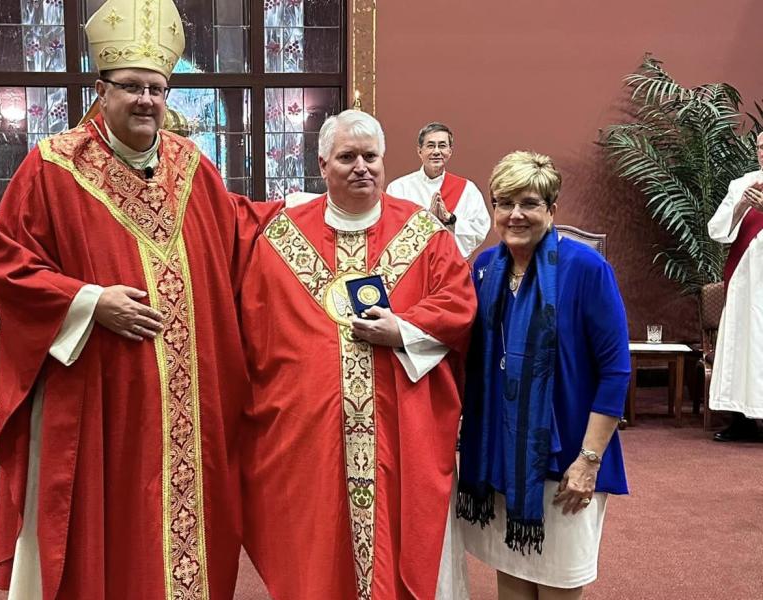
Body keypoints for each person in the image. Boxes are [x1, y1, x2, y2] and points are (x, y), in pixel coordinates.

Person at [0, 0, 276, 598]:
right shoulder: (51, 167)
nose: (146, 100)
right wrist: (90, 301)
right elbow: (9, 264)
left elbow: (240, 237)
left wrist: (322, 223)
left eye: (157, 88)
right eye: (132, 88)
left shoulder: (193, 165)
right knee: (108, 529)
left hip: (191, 401)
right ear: (101, 88)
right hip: (100, 397)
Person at [239, 110, 478, 599]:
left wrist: (404, 329)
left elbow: (458, 305)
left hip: (398, 431)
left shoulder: (424, 234)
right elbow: (255, 329)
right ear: (323, 164)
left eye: (371, 157)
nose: (361, 167)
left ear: (385, 162)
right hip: (307, 436)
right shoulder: (283, 239)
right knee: (314, 550)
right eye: (347, 157)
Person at [456, 151, 630, 599]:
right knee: (511, 582)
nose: (515, 214)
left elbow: (615, 371)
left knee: (557, 587)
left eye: (529, 203)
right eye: (504, 202)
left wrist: (588, 462)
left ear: (551, 210)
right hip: (503, 459)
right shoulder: (484, 269)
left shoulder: (586, 269)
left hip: (565, 459)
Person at [706, 131, 763, 442]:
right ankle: (740, 419)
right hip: (745, 277)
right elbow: (718, 230)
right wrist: (742, 207)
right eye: (759, 146)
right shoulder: (742, 183)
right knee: (742, 341)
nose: (762, 152)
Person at [386, 122, 490, 258]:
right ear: (419, 151)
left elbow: (479, 228)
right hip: (412, 266)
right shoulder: (399, 188)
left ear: (450, 151)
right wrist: (428, 220)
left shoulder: (467, 189)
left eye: (442, 146)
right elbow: (390, 229)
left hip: (452, 266)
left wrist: (450, 220)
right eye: (430, 146)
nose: (436, 151)